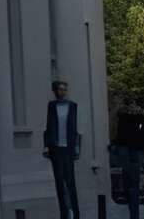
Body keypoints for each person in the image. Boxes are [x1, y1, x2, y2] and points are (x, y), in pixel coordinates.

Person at [43, 77, 83, 219]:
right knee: (59, 183)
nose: (63, 91)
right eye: (60, 89)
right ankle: (64, 214)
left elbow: (76, 127)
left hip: (69, 147)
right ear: (55, 91)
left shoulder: (72, 106)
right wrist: (47, 145)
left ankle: (75, 213)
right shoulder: (51, 106)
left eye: (65, 89)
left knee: (70, 181)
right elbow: (49, 126)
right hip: (56, 148)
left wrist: (77, 147)